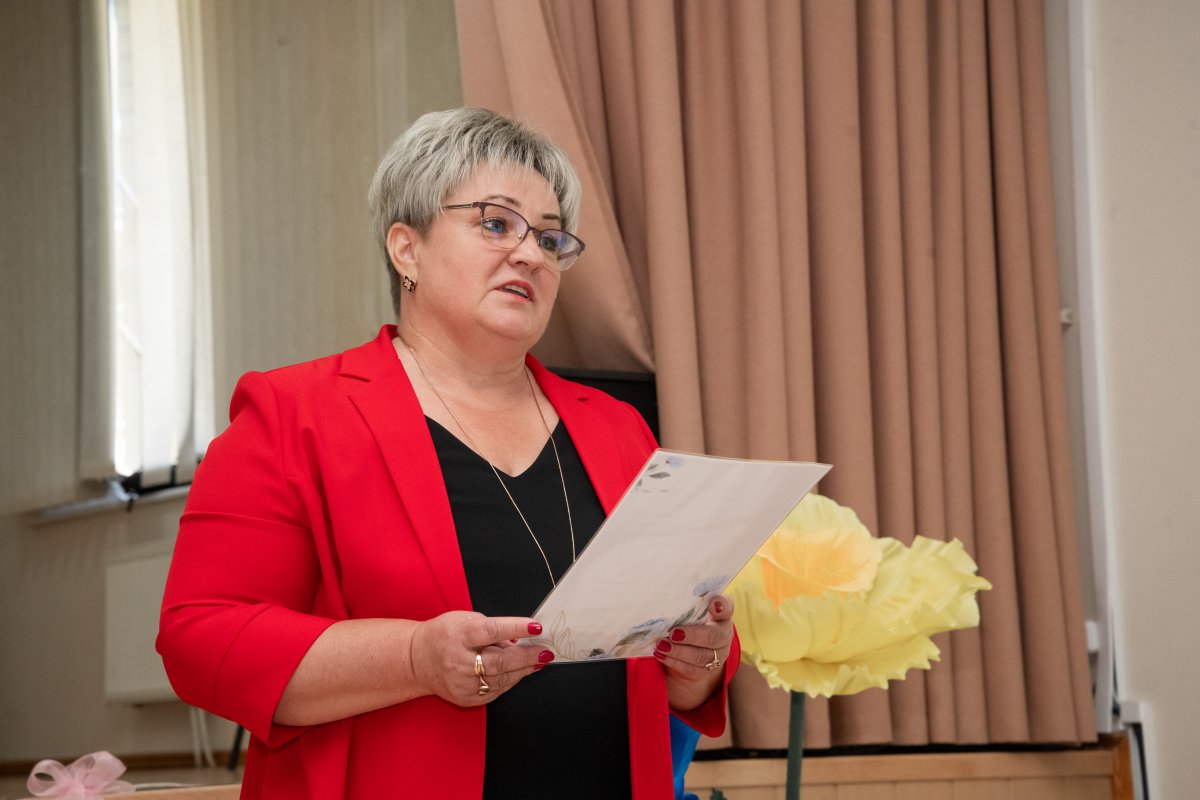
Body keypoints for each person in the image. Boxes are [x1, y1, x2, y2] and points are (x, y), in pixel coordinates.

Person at [157, 107, 738, 799]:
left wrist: (698, 664)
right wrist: (415, 659)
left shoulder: (618, 427)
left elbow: (665, 662)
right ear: (407, 249)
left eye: (549, 237)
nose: (530, 254)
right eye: (496, 224)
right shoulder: (294, 415)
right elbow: (202, 640)